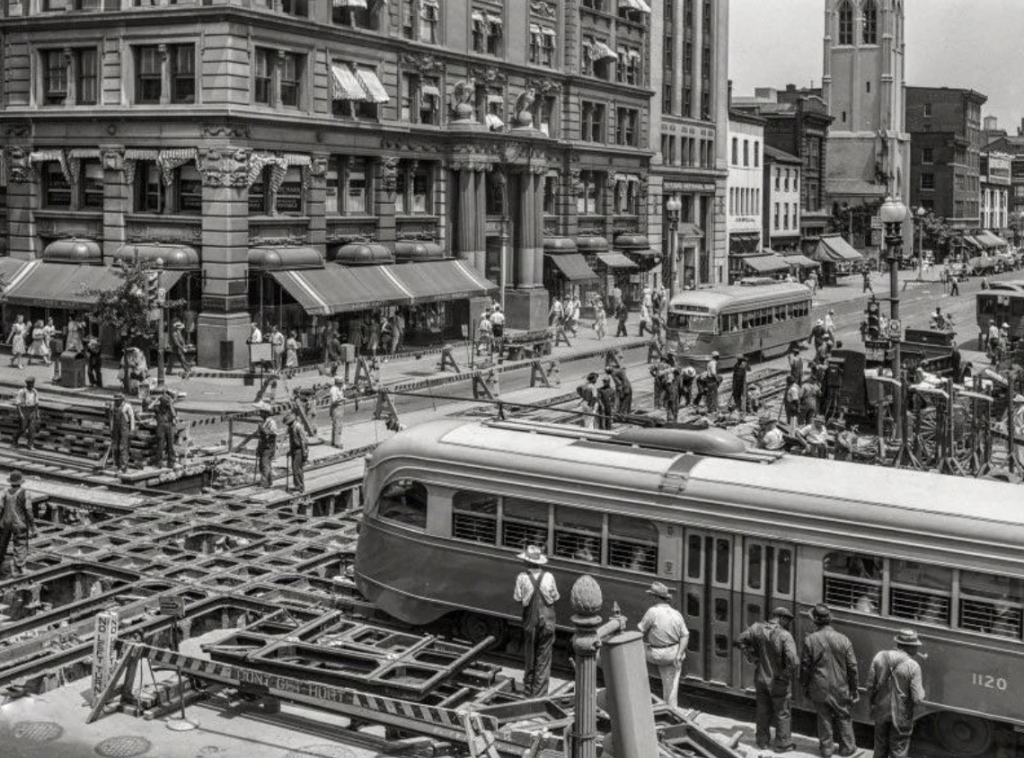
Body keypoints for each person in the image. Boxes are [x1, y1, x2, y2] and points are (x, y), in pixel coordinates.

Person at [737, 607, 800, 752]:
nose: (788, 623)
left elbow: (741, 640)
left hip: (761, 678)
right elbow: (794, 660)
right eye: (788, 620)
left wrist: (753, 657)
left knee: (763, 710)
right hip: (778, 681)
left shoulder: (756, 628)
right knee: (782, 712)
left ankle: (762, 741)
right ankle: (782, 744)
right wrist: (787, 671)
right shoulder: (785, 635)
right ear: (781, 618)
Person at [801, 604, 860, 758]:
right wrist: (854, 689)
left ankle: (826, 750)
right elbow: (852, 667)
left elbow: (805, 667)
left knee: (823, 717)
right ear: (829, 621)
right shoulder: (844, 639)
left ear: (815, 621)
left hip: (818, 685)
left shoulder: (810, 640)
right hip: (840, 686)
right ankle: (848, 748)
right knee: (843, 716)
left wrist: (805, 685)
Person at [866, 629, 926, 758]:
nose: (917, 648)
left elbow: (870, 686)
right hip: (901, 714)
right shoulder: (913, 666)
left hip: (880, 709)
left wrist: (873, 704)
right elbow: (917, 698)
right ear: (909, 647)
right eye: (916, 646)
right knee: (898, 748)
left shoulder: (880, 656)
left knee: (880, 745)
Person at [513, 544, 559, 698]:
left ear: (527, 562)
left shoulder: (521, 577)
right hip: (548, 621)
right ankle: (539, 695)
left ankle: (528, 693)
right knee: (544, 659)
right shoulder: (549, 576)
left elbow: (517, 598)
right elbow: (555, 597)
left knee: (530, 657)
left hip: (530, 621)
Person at [638, 581, 689, 709]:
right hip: (673, 654)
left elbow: (640, 631)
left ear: (655, 597)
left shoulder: (653, 611)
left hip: (656, 654)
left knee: (633, 648)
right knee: (671, 688)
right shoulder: (676, 614)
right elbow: (685, 635)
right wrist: (679, 654)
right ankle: (672, 709)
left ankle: (637, 688)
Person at [0, 471, 34, 578]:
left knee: (2, 544)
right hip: (19, 523)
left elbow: (0, 507)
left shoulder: (4, 492)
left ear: (10, 482)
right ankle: (20, 569)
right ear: (21, 482)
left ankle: (0, 566)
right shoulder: (25, 493)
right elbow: (28, 510)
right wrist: (32, 525)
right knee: (20, 544)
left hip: (5, 522)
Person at [148, 389, 178, 468]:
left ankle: (171, 462)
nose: (166, 405)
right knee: (160, 445)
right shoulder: (158, 408)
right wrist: (156, 400)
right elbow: (149, 407)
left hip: (169, 426)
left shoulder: (170, 408)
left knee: (170, 445)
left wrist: (171, 404)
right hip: (161, 427)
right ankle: (159, 462)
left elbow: (174, 415)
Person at [110, 393, 136, 473]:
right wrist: (111, 428)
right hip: (115, 429)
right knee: (116, 447)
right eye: (115, 400)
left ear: (122, 400)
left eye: (118, 400)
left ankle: (124, 467)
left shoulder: (127, 406)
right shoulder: (113, 406)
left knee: (123, 447)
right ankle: (117, 465)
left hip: (124, 429)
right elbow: (111, 418)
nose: (116, 402)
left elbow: (132, 418)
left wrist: (132, 429)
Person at [283, 413, 308, 494]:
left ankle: (300, 487)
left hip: (299, 450)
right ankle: (298, 486)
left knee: (296, 469)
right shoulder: (291, 427)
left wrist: (304, 453)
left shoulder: (298, 426)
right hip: (295, 450)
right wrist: (290, 450)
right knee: (296, 469)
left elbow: (303, 441)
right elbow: (292, 441)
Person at [255, 403, 278, 488]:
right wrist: (258, 448)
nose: (260, 414)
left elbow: (274, 434)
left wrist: (264, 430)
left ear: (266, 413)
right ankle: (268, 482)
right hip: (263, 445)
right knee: (263, 464)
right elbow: (260, 437)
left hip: (269, 446)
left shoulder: (271, 422)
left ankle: (264, 483)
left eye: (262, 412)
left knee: (265, 464)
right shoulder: (262, 422)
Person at [14, 377, 40, 449]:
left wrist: (36, 413)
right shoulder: (22, 391)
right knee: (22, 428)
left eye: (33, 383)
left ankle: (30, 444)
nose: (32, 385)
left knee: (32, 429)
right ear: (27, 384)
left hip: (32, 410)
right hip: (24, 410)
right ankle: (15, 440)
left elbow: (37, 403)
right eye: (30, 384)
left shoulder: (35, 391)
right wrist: (20, 413)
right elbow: (18, 403)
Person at [329, 377, 345, 449]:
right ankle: (337, 443)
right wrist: (342, 399)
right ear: (338, 383)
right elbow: (334, 400)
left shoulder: (339, 388)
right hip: (336, 407)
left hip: (339, 407)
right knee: (337, 425)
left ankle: (334, 441)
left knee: (336, 425)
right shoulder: (334, 390)